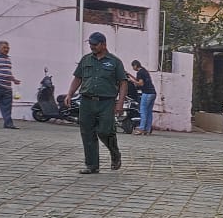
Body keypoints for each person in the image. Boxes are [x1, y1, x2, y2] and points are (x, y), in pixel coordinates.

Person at [67, 32, 129, 175]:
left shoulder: (115, 62)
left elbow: (123, 83)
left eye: (95, 44)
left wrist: (120, 103)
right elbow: (78, 78)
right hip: (87, 101)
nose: (92, 47)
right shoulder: (86, 60)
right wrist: (70, 94)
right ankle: (92, 165)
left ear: (103, 44)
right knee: (87, 132)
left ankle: (115, 153)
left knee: (105, 131)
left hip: (106, 102)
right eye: (90, 44)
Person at [129, 60, 157, 135]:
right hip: (153, 93)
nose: (133, 68)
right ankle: (147, 129)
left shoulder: (139, 72)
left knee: (143, 111)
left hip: (146, 93)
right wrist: (130, 75)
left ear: (135, 65)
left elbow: (140, 83)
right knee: (149, 112)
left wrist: (131, 81)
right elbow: (139, 79)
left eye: (133, 66)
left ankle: (141, 129)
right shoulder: (144, 71)